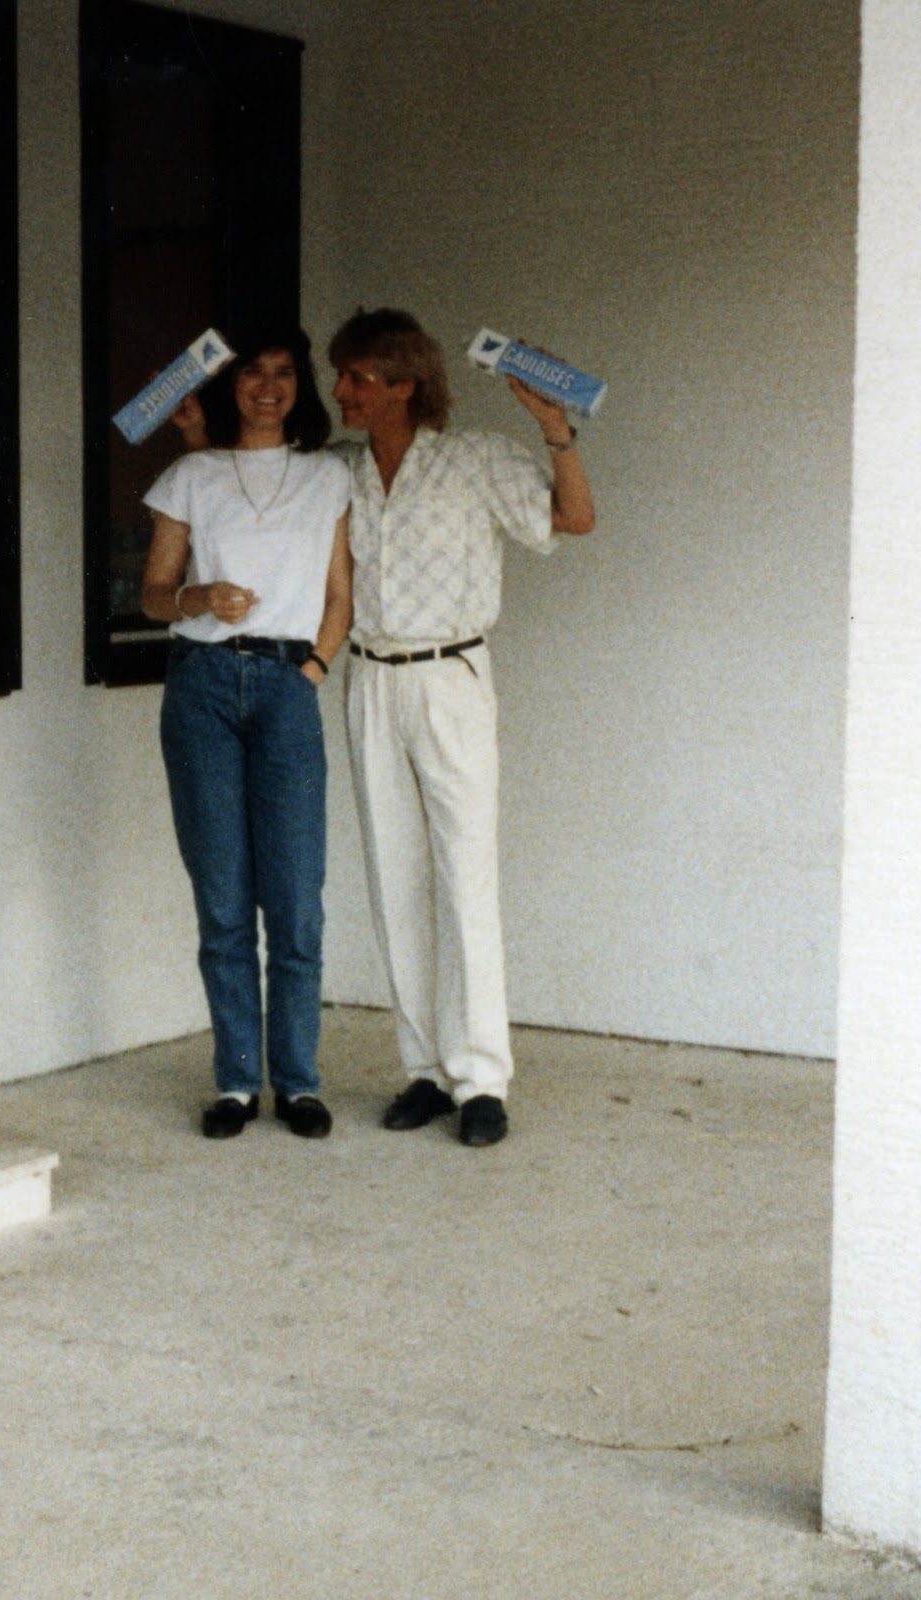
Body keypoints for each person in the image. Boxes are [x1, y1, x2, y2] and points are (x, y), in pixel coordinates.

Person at [328, 307, 595, 1147]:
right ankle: (424, 1071)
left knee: (463, 873)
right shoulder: (337, 470)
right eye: (341, 376)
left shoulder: (475, 458)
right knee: (393, 875)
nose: (340, 391)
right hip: (370, 678)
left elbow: (572, 518)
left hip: (450, 676)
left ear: (404, 385)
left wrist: (555, 431)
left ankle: (481, 1079)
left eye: (357, 378)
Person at [141, 327, 352, 1140]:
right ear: (229, 386)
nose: (268, 386)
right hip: (201, 686)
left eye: (284, 372)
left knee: (295, 900)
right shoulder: (192, 475)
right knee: (223, 899)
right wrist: (197, 599)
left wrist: (312, 671)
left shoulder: (326, 475)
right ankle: (236, 1081)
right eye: (253, 373)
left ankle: (297, 1082)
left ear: (300, 384)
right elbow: (153, 593)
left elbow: (340, 594)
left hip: (286, 685)